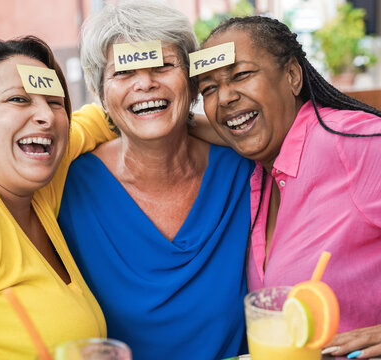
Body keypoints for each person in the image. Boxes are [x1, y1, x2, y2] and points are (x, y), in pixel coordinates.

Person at [196, 16, 381, 357]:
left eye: (241, 75)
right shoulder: (264, 168)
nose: (223, 97)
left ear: (293, 76)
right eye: (208, 88)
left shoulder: (346, 145)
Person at [55, 1, 253, 360]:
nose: (145, 83)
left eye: (163, 66)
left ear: (193, 83)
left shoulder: (245, 171)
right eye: (124, 73)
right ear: (100, 93)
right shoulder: (67, 187)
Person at [0, 36, 114, 359]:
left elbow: (106, 120)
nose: (45, 115)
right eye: (18, 99)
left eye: (55, 102)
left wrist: (222, 129)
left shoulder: (40, 186)